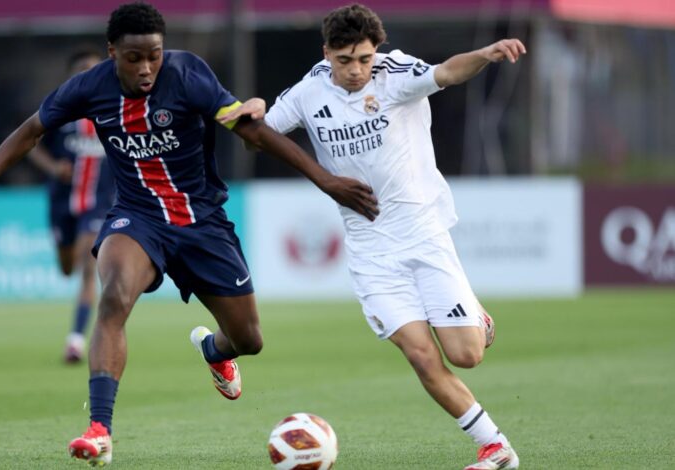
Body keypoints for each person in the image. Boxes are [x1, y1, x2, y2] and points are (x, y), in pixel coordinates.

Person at [0, 2, 378, 466]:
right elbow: (31, 130)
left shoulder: (187, 74)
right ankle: (100, 430)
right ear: (112, 52)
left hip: (202, 221)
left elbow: (252, 131)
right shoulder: (89, 87)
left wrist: (327, 181)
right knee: (114, 297)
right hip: (137, 217)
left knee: (249, 340)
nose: (146, 68)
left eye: (153, 56)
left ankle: (213, 350)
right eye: (134, 58)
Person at [222, 4, 526, 469]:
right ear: (327, 53)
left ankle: (475, 320)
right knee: (421, 356)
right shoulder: (309, 91)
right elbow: (257, 136)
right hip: (370, 252)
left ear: (376, 51)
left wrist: (485, 54)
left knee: (465, 355)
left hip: (423, 235)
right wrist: (257, 112)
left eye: (364, 59)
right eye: (345, 60)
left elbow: (448, 71)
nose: (356, 70)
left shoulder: (396, 73)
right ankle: (496, 448)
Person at [27, 49, 116, 364]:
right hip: (62, 202)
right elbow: (30, 144)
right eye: (81, 69)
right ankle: (69, 256)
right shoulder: (58, 110)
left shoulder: (113, 110)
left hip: (98, 203)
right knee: (67, 267)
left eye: (93, 69)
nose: (87, 75)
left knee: (89, 266)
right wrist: (53, 167)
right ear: (70, 75)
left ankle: (75, 340)